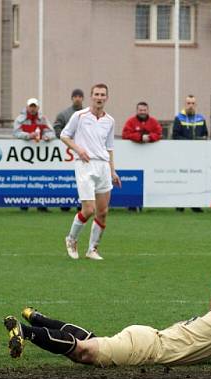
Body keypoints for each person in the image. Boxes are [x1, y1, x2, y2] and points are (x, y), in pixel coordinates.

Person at [3, 284, 211, 367]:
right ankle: (27, 331)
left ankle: (36, 321)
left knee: (94, 339)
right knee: (85, 352)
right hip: (148, 349)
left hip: (147, 338)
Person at [60, 83, 121, 261]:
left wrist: (112, 171)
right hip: (85, 165)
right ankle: (71, 239)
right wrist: (79, 150)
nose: (99, 97)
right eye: (96, 94)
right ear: (91, 96)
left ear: (107, 98)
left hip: (103, 166)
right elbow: (64, 135)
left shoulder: (110, 120)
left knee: (102, 211)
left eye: (103, 95)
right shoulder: (79, 116)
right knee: (88, 209)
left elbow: (109, 147)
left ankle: (92, 249)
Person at [14, 98, 55, 211]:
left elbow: (52, 132)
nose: (32, 108)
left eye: (34, 106)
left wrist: (48, 137)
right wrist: (28, 135)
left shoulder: (43, 119)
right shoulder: (20, 119)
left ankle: (42, 205)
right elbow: (16, 133)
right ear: (27, 107)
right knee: (24, 177)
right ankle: (23, 204)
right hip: (24, 155)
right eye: (31, 106)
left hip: (41, 154)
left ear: (38, 108)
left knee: (42, 178)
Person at [171, 95, 206, 212]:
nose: (190, 106)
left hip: (197, 156)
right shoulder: (179, 118)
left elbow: (205, 135)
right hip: (182, 155)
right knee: (182, 180)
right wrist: (189, 143)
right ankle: (180, 205)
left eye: (193, 103)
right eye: (188, 103)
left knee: (196, 180)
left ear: (195, 105)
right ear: (185, 104)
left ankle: (195, 205)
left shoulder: (201, 119)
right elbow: (175, 135)